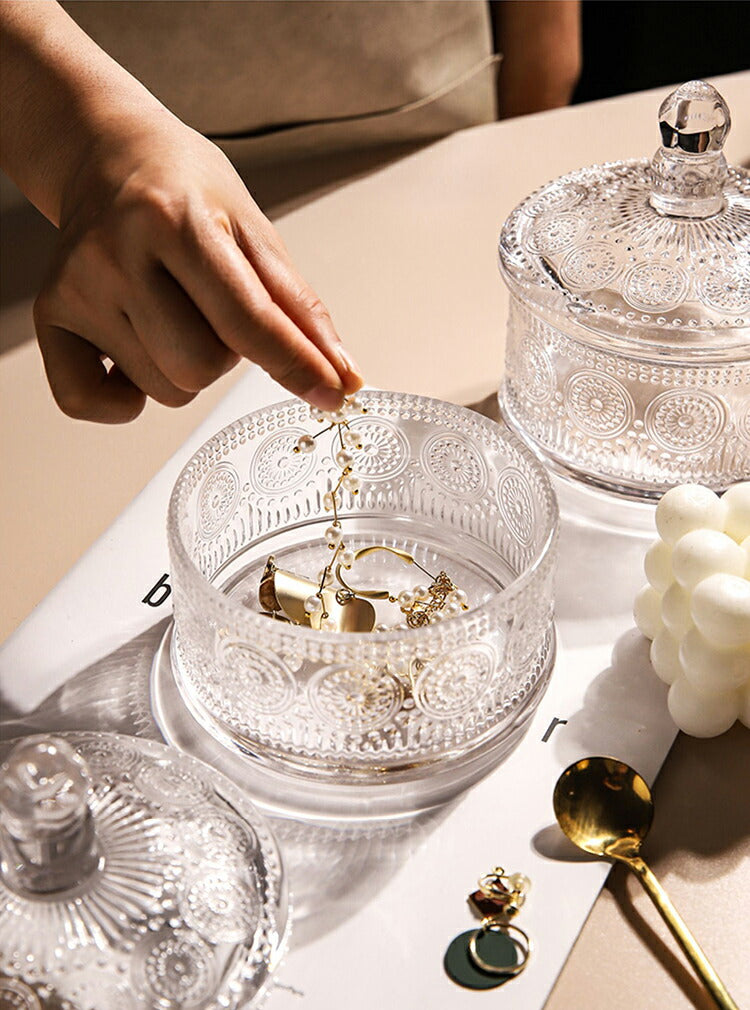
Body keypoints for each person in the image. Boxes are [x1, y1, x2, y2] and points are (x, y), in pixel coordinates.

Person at [0, 1, 580, 424]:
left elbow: (544, 61)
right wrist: (75, 134)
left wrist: (538, 83)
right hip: (46, 195)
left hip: (430, 138)